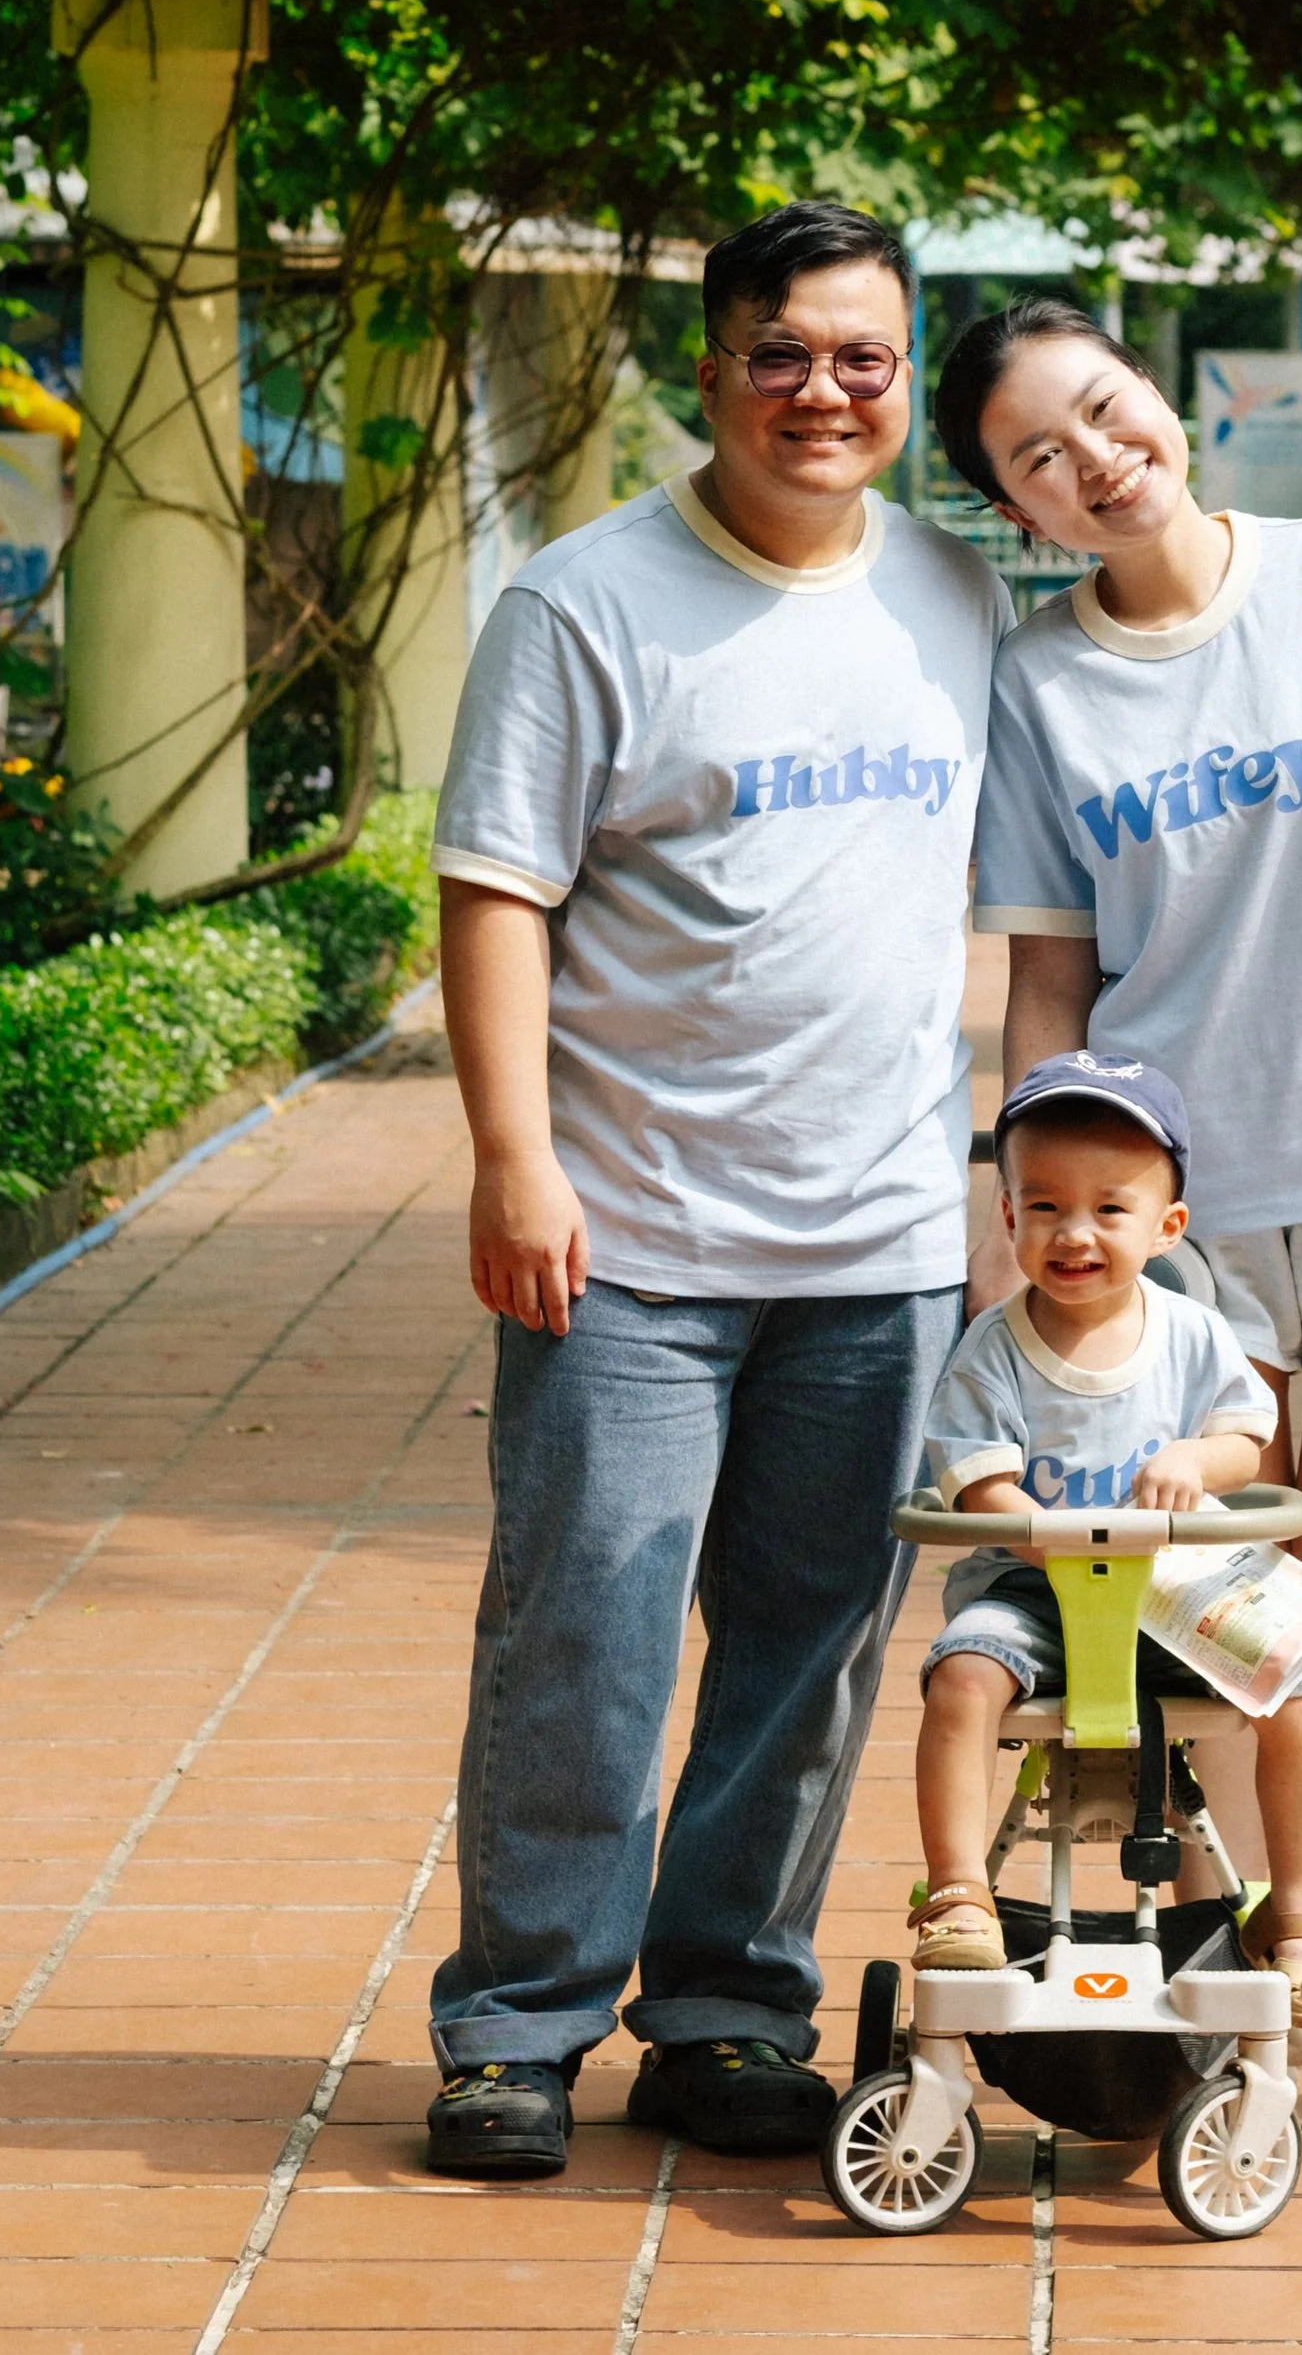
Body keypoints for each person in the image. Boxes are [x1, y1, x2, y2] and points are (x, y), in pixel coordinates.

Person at [423, 202, 1010, 2180]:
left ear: (900, 378)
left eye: (861, 357)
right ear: (713, 370)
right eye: (783, 353)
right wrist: (513, 1159)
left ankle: (726, 2011)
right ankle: (516, 2026)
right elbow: (497, 890)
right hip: (632, 1236)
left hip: (878, 1245)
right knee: (580, 1628)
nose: (822, 391)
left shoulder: (953, 592)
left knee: (810, 1638)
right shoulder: (585, 603)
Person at [940, 295, 1302, 2139]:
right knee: (1203, 1596)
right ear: (1018, 513)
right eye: (1039, 456)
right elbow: (1050, 979)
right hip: (1174, 1221)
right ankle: (1248, 1956)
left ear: (1161, 403)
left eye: (1104, 414)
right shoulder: (1039, 681)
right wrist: (1031, 1229)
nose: (1093, 461)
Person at [910, 1054, 1302, 2032]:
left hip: (1179, 1584)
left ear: (1165, 1228)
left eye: (1109, 1210)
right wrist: (1016, 1510)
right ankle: (957, 1896)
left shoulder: (1191, 1333)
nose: (1075, 1234)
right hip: (1037, 1592)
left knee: (1299, 1687)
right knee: (961, 1679)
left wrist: (1197, 1460)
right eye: (1045, 1207)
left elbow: (1248, 1436)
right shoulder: (991, 1348)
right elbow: (974, 1473)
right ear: (1010, 1219)